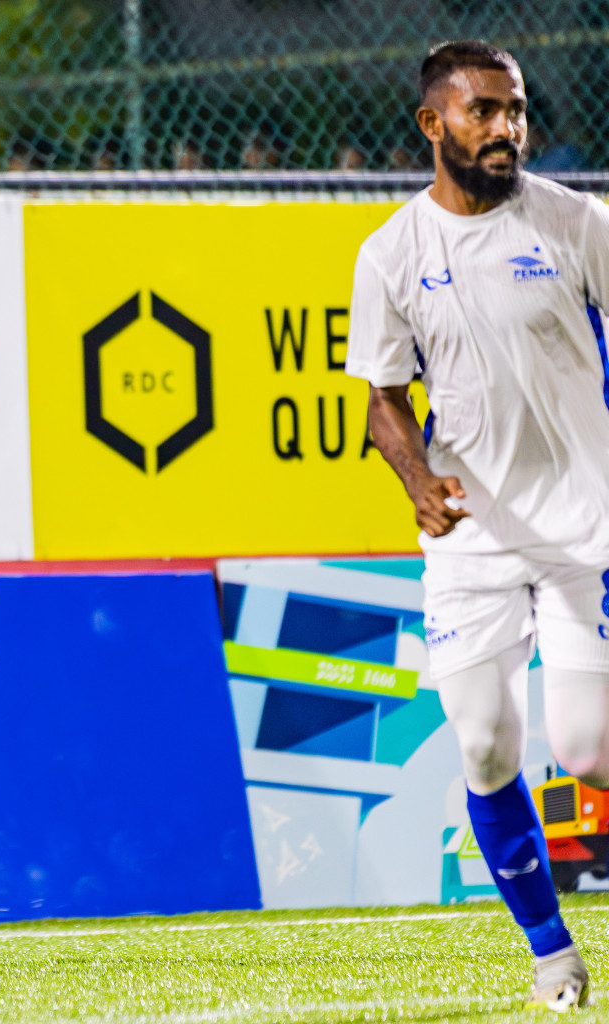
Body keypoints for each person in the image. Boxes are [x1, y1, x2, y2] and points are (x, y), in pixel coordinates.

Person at [348, 39, 609, 1012]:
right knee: (488, 745)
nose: (505, 128)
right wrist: (417, 479)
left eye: (516, 110)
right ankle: (553, 955)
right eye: (484, 111)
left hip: (587, 531)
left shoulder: (578, 223)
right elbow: (380, 399)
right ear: (433, 124)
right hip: (470, 542)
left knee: (587, 748)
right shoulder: (392, 254)